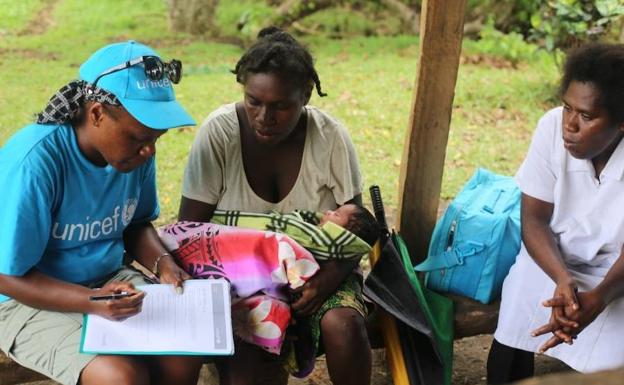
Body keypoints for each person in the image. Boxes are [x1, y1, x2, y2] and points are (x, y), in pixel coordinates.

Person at [0, 41, 205, 385]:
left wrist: (163, 263)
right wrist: (90, 300)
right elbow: (7, 275)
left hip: (109, 284)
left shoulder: (134, 155)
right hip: (24, 299)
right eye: (140, 137)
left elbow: (136, 224)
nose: (149, 149)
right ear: (96, 113)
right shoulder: (36, 162)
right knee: (120, 376)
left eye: (157, 138)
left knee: (183, 350)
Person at [179, 26, 371, 385]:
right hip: (238, 279)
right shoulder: (220, 134)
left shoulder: (330, 138)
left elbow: (357, 231)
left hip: (320, 273)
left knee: (344, 327)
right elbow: (190, 232)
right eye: (254, 101)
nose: (264, 117)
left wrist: (326, 282)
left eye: (281, 106)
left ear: (306, 96)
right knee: (247, 357)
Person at [487, 43, 624, 384]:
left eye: (587, 116)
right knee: (515, 321)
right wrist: (563, 279)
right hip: (551, 258)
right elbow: (533, 220)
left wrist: (599, 298)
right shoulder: (550, 127)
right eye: (567, 108)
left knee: (611, 361)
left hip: (616, 275)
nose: (569, 125)